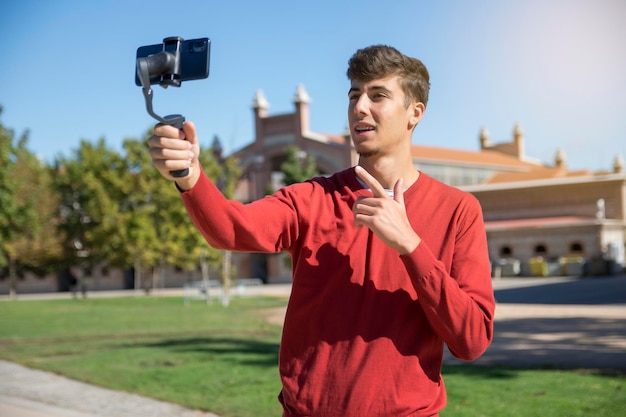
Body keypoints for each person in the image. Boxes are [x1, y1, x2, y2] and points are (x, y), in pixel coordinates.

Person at [148, 45, 495, 417]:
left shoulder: (458, 210)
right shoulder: (313, 198)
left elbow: (471, 340)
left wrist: (410, 245)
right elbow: (231, 229)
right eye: (354, 95)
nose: (360, 107)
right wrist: (189, 175)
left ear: (414, 113)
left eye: (378, 95)